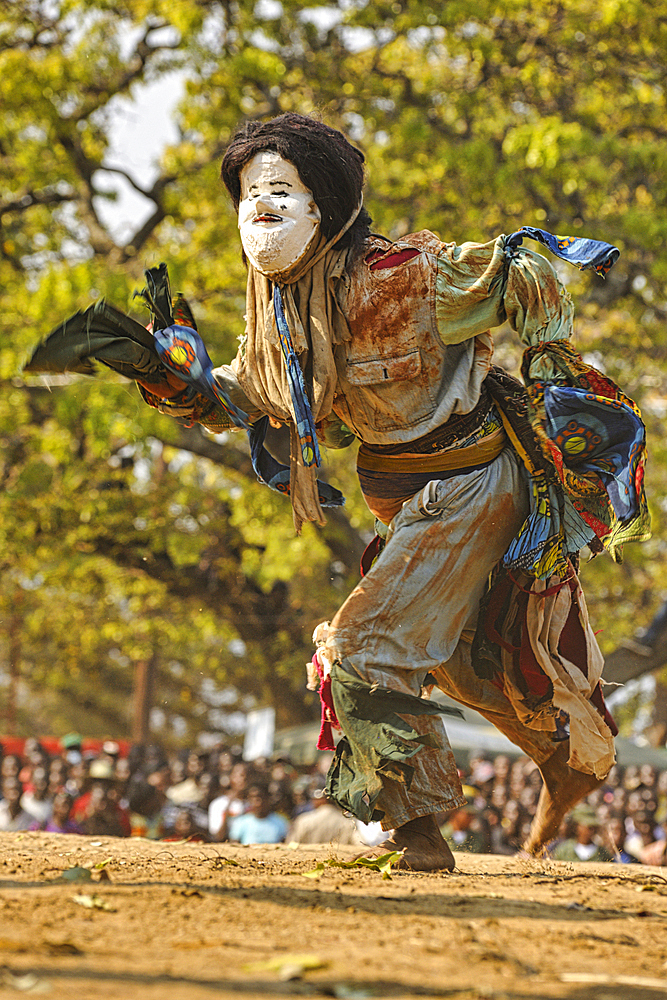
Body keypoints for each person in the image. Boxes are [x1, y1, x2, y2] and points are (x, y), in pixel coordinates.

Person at [31, 113, 649, 871]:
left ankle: (415, 831)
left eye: (280, 190)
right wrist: (167, 374)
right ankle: (570, 760)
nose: (261, 208)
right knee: (467, 664)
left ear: (323, 203)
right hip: (409, 502)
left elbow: (526, 271)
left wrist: (554, 366)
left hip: (474, 482)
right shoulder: (280, 313)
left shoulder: (407, 277)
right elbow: (247, 396)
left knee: (357, 652)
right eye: (249, 195)